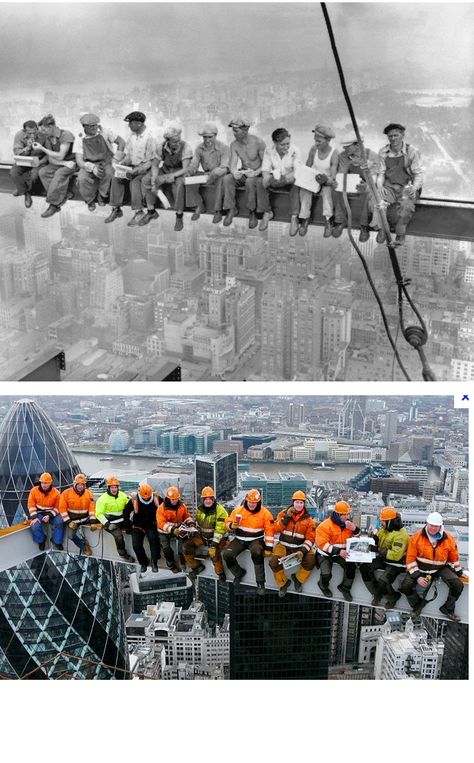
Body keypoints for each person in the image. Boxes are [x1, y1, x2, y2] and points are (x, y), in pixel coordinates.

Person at [400, 512, 465, 621]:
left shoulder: (448, 538)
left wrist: (459, 572)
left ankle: (447, 608)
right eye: (431, 525)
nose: (433, 528)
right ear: (427, 523)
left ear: (440, 526)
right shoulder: (417, 537)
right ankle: (417, 605)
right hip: (420, 567)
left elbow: (454, 558)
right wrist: (417, 576)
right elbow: (410, 559)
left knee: (458, 585)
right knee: (405, 586)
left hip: (439, 568)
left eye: (436, 526)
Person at [104, 111, 156, 226]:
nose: (129, 126)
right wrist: (121, 164)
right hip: (133, 167)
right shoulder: (132, 137)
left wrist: (137, 170)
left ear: (138, 123)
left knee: (135, 181)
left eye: (131, 123)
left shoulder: (150, 137)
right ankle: (116, 209)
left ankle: (139, 212)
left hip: (146, 169)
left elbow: (151, 161)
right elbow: (129, 156)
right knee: (116, 177)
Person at [376, 122, 424, 244]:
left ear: (402, 135)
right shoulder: (383, 152)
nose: (393, 138)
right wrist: (380, 185)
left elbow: (418, 174)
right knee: (378, 201)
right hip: (390, 186)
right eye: (390, 136)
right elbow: (381, 172)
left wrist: (414, 187)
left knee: (406, 205)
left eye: (396, 135)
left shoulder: (412, 151)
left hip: (407, 186)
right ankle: (382, 229)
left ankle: (400, 232)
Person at [222, 488, 274, 595]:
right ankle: (239, 573)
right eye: (250, 502)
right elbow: (227, 522)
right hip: (239, 539)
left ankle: (260, 583)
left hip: (255, 540)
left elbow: (270, 531)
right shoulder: (238, 510)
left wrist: (269, 548)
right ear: (246, 501)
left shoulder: (265, 513)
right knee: (227, 554)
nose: (251, 505)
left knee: (257, 553)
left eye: (254, 503)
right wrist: (232, 526)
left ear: (258, 502)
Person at [141, 124, 193, 231]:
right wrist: (154, 178)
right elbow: (155, 164)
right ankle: (151, 211)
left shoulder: (186, 147)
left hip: (179, 172)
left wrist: (168, 177)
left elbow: (185, 169)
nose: (177, 143)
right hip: (166, 169)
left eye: (179, 140)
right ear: (168, 140)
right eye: (174, 141)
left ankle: (179, 215)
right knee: (147, 180)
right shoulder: (161, 146)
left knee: (178, 185)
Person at [332, 132, 380, 241]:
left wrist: (366, 184)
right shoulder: (343, 156)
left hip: (366, 184)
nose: (344, 148)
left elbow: (374, 178)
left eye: (347, 146)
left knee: (367, 193)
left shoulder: (371, 155)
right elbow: (341, 173)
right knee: (337, 189)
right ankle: (340, 221)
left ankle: (364, 226)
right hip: (349, 183)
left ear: (357, 145)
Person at [359, 506, 409, 608]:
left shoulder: (401, 535)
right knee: (364, 567)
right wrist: (375, 539)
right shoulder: (385, 529)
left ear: (390, 522)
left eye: (383, 521)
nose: (381, 523)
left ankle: (393, 597)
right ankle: (376, 593)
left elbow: (395, 555)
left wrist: (377, 549)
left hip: (397, 563)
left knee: (383, 582)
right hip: (384, 559)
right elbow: (380, 542)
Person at [74, 113, 125, 211]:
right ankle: (90, 200)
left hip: (106, 161)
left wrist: (116, 159)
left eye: (96, 125)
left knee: (109, 173)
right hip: (89, 163)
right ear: (84, 126)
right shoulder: (79, 138)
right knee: (81, 178)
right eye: (91, 126)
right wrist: (92, 168)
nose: (95, 128)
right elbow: (79, 161)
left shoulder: (105, 131)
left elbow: (121, 142)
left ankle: (102, 196)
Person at [269, 490, 317, 597]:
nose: (299, 505)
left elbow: (311, 538)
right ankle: (283, 583)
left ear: (304, 504)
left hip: (300, 546)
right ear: (293, 502)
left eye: (301, 503)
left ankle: (298, 579)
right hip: (283, 545)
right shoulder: (283, 513)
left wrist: (303, 551)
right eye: (297, 502)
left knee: (311, 560)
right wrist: (286, 518)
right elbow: (276, 529)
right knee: (274, 562)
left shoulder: (309, 520)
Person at [222, 118, 266, 228]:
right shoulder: (234, 145)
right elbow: (232, 164)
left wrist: (256, 173)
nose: (234, 133)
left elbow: (266, 164)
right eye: (233, 130)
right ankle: (231, 209)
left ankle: (252, 212)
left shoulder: (258, 142)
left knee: (250, 182)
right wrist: (234, 172)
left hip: (257, 174)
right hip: (244, 172)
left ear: (245, 130)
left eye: (236, 131)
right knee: (227, 179)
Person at [257, 127, 301, 234]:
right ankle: (267, 212)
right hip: (275, 179)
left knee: (297, 183)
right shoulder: (269, 151)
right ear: (275, 143)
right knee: (260, 182)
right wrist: (268, 179)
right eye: (283, 145)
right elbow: (265, 170)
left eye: (288, 144)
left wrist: (285, 179)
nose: (286, 147)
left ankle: (294, 217)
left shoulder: (295, 150)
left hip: (289, 179)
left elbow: (297, 171)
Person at [315, 499, 360, 601]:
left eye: (348, 514)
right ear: (338, 514)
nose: (348, 517)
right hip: (325, 554)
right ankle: (323, 586)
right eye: (345, 515)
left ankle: (345, 588)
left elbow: (357, 539)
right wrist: (339, 551)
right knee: (326, 574)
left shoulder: (349, 525)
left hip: (340, 554)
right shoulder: (325, 526)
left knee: (351, 568)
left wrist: (355, 530)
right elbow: (322, 544)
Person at [32, 114, 76, 218]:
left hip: (72, 163)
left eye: (44, 130)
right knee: (43, 172)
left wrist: (42, 148)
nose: (42, 132)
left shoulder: (66, 135)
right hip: (63, 163)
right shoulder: (48, 138)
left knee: (59, 174)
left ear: (51, 127)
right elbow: (51, 158)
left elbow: (60, 156)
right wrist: (63, 163)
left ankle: (54, 205)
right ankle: (64, 194)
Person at [298, 124, 338, 237]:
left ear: (328, 140)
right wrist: (305, 177)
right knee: (305, 191)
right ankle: (305, 218)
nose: (316, 143)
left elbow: (333, 175)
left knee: (327, 193)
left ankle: (328, 219)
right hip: (313, 179)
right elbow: (308, 166)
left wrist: (327, 179)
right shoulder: (313, 149)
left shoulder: (334, 153)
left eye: (319, 141)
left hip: (326, 182)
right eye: (315, 140)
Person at [182, 486, 229, 582]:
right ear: (203, 499)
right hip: (203, 537)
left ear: (213, 498)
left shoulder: (220, 511)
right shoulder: (200, 509)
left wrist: (214, 545)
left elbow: (220, 530)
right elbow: (198, 524)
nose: (208, 501)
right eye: (205, 499)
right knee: (187, 546)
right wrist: (191, 526)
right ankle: (196, 567)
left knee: (214, 554)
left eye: (210, 498)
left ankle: (220, 573)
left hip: (218, 539)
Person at [185, 122, 230, 223]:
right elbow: (194, 164)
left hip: (219, 174)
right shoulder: (199, 148)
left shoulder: (224, 148)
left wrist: (214, 173)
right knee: (189, 180)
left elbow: (224, 167)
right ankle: (199, 205)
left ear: (215, 136)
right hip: (207, 174)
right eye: (205, 137)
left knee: (221, 180)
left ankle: (218, 211)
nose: (207, 140)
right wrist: (190, 171)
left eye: (210, 137)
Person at [94, 476, 135, 563]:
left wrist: (133, 499)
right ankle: (123, 554)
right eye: (112, 487)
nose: (114, 489)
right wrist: (107, 524)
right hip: (111, 523)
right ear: (108, 488)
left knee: (135, 529)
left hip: (122, 520)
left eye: (116, 487)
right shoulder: (102, 499)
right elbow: (98, 514)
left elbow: (129, 505)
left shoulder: (122, 495)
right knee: (119, 537)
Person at [126, 483, 162, 573]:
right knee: (136, 545)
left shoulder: (156, 499)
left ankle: (154, 561)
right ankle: (143, 562)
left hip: (152, 524)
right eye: (144, 497)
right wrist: (128, 526)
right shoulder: (135, 499)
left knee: (154, 539)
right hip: (138, 525)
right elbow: (126, 511)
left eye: (148, 497)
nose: (146, 498)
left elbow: (164, 509)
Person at [10, 120, 46, 208]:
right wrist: (28, 148)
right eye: (30, 133)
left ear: (37, 129)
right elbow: (17, 152)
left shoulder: (43, 135)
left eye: (34, 132)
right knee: (14, 173)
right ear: (24, 131)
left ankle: (22, 190)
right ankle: (26, 192)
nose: (33, 135)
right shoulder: (19, 135)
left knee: (34, 176)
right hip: (24, 160)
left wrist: (40, 162)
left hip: (39, 160)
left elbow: (48, 153)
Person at [59, 473, 96, 556]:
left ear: (84, 485)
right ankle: (84, 547)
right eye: (78, 484)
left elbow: (91, 508)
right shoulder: (66, 493)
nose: (80, 486)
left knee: (100, 522)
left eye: (82, 484)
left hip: (85, 519)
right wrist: (69, 522)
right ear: (75, 484)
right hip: (73, 520)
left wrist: (93, 521)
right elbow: (62, 508)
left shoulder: (89, 494)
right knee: (71, 536)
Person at [156, 486, 191, 572]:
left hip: (178, 529)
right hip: (164, 531)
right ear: (168, 498)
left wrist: (190, 522)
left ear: (178, 498)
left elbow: (186, 516)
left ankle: (182, 560)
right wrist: (172, 530)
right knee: (166, 549)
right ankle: (170, 564)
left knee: (182, 545)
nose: (174, 501)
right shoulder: (161, 508)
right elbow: (161, 523)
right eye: (172, 499)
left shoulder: (182, 506)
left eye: (175, 499)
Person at [27, 472, 63, 551]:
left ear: (50, 483)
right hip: (39, 513)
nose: (43, 485)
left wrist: (49, 516)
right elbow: (31, 505)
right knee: (35, 526)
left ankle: (56, 541)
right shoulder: (34, 491)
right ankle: (41, 541)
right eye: (42, 483)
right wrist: (35, 517)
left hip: (51, 514)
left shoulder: (56, 493)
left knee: (60, 521)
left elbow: (58, 508)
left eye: (46, 483)